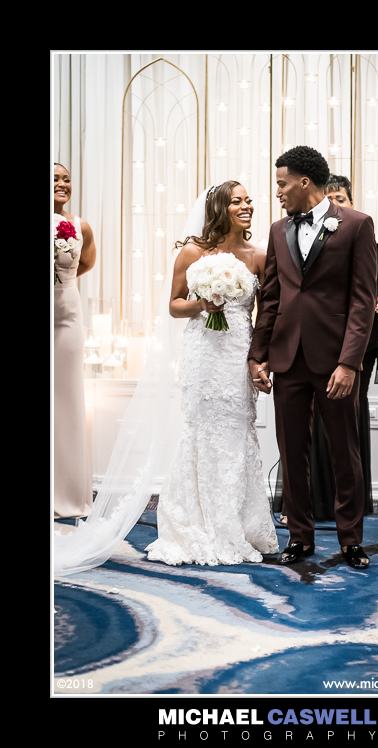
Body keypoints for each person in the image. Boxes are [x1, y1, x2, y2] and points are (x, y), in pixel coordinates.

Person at [54, 182, 278, 576]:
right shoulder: (192, 252)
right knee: (199, 433)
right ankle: (194, 522)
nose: (247, 207)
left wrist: (258, 360)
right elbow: (174, 305)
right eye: (237, 201)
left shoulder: (259, 255)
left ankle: (236, 524)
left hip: (236, 354)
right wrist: (202, 303)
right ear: (219, 207)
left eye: (249, 201)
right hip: (203, 355)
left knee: (239, 433)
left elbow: (264, 315)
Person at [248, 147, 377, 569]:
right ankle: (299, 538)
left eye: (282, 184)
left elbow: (362, 301)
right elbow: (271, 298)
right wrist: (258, 355)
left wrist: (349, 362)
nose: (278, 192)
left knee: (345, 452)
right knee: (292, 451)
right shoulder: (277, 229)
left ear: (304, 182)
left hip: (335, 359)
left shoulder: (356, 225)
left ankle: (351, 540)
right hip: (288, 358)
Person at [276, 174, 378, 521]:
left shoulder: (364, 236)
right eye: (331, 198)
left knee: (346, 435)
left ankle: (348, 514)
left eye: (341, 198)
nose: (336, 204)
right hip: (307, 345)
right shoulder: (290, 231)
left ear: (351, 200)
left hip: (354, 346)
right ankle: (302, 509)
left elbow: (377, 284)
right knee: (302, 430)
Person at [54, 163, 96, 519]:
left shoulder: (80, 225)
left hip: (66, 315)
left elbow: (85, 263)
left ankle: (67, 494)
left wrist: (62, 281)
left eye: (66, 178)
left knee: (68, 400)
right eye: (54, 179)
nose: (62, 184)